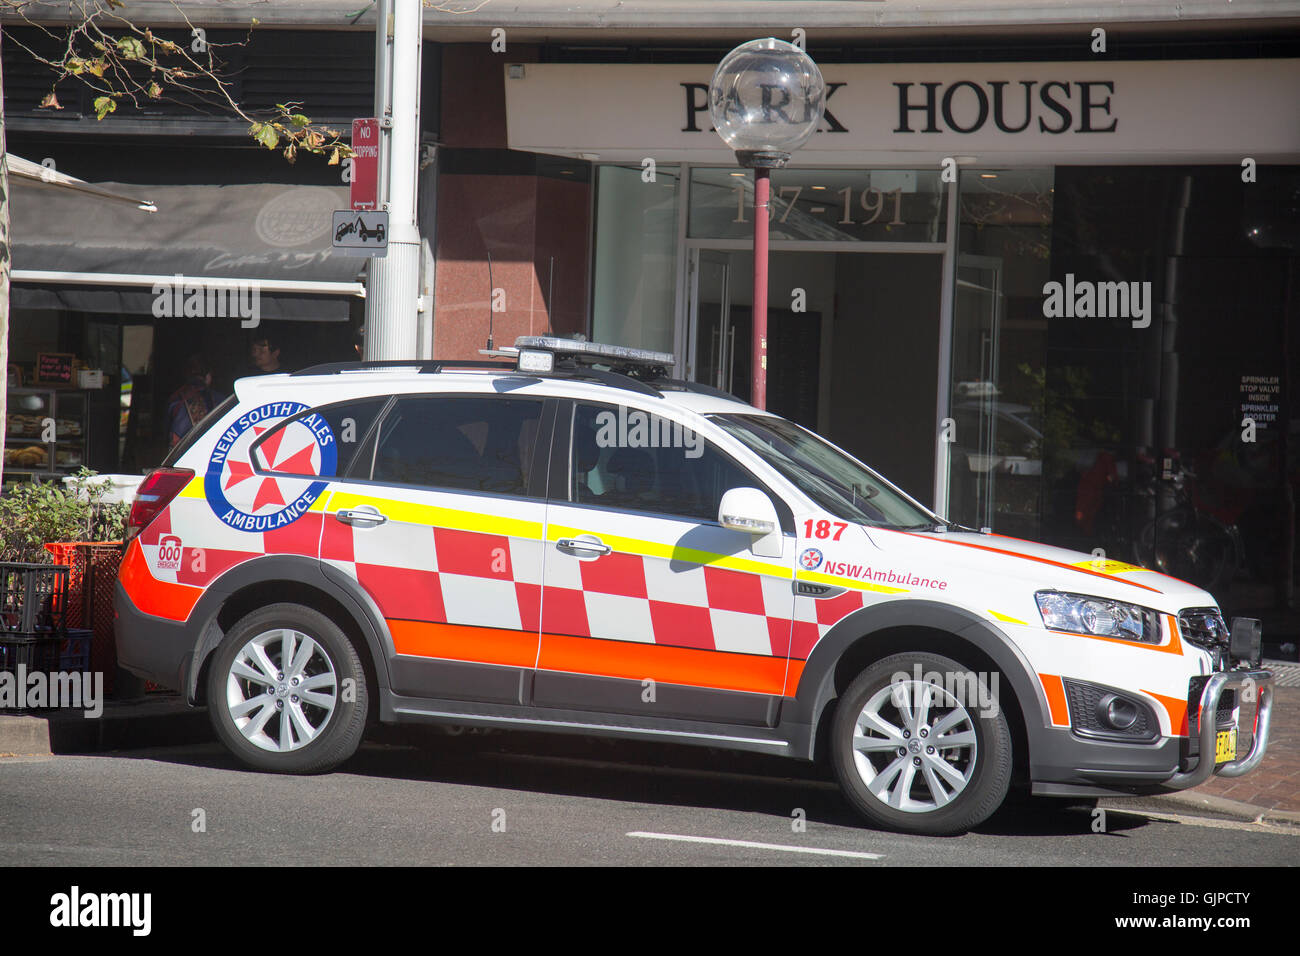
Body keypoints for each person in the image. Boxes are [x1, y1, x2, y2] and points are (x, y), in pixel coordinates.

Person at [166, 354, 222, 447]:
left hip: (180, 454)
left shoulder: (175, 398)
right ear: (208, 376)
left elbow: (167, 432)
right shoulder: (219, 400)